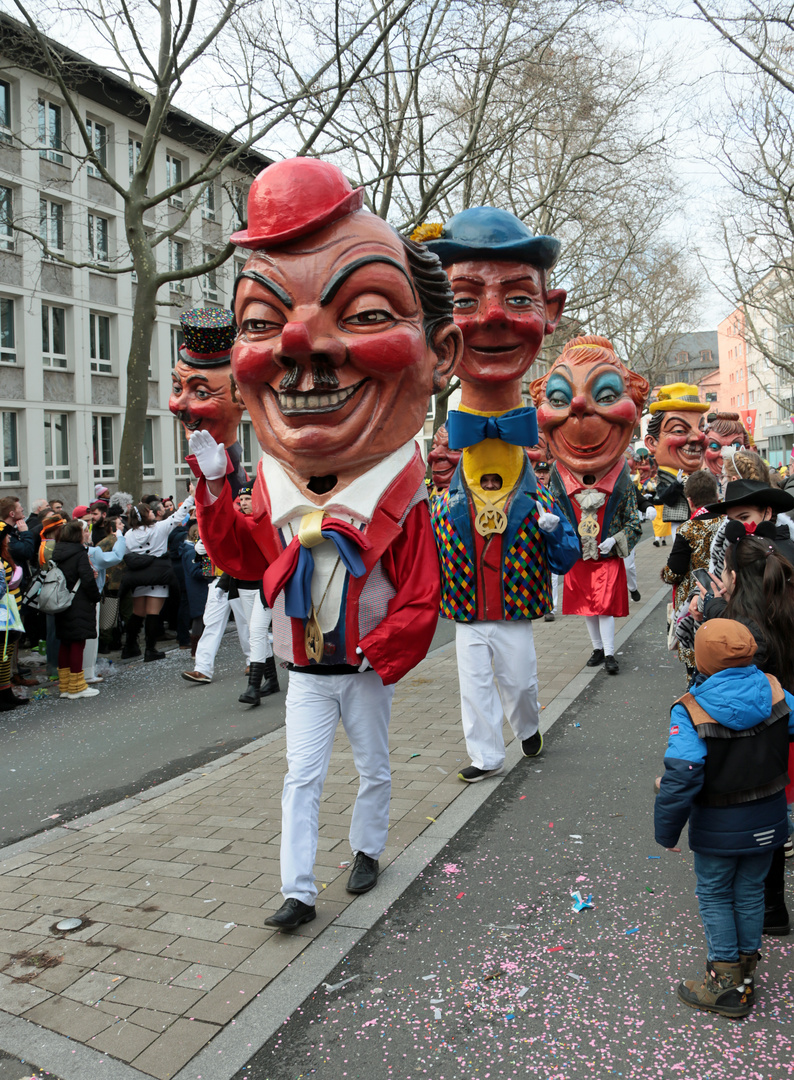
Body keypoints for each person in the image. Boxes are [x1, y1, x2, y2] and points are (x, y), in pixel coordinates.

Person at [192, 157, 461, 930]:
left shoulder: (403, 499)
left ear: (438, 350)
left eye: (368, 311)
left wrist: (384, 653)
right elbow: (244, 560)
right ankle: (298, 890)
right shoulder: (274, 487)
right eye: (259, 323)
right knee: (299, 776)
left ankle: (368, 849)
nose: (299, 342)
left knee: (372, 769)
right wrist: (214, 488)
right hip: (307, 667)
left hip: (364, 666)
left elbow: (420, 595)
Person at [425, 206, 580, 780]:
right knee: (472, 686)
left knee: (519, 680)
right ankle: (484, 756)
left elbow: (568, 551)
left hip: (513, 601)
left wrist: (552, 527)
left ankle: (529, 724)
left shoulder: (540, 462)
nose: (491, 317)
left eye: (519, 298)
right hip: (467, 604)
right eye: (463, 300)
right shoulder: (444, 468)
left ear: (551, 310)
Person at [655, 619, 794, 1017]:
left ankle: (725, 984)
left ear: (701, 659)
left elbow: (683, 774)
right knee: (750, 892)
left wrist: (667, 829)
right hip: (768, 818)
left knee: (715, 893)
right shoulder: (774, 690)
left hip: (717, 824)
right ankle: (746, 968)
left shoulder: (692, 708)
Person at [531, 336, 647, 676]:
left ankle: (610, 652)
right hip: (578, 555)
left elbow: (633, 523)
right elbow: (548, 511)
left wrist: (617, 540)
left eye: (607, 395)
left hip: (606, 555)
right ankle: (597, 649)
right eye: (559, 397)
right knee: (586, 607)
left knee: (606, 605)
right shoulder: (555, 476)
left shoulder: (623, 478)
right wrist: (551, 530)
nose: (579, 406)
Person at [181, 484, 259, 685]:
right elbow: (204, 560)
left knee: (245, 623)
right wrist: (202, 553)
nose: (242, 503)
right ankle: (203, 668)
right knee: (211, 624)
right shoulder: (208, 525)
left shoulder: (238, 521)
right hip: (217, 581)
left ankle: (254, 660)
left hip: (239, 580)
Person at [122, 489, 195, 661]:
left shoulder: (128, 534)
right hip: (158, 575)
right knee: (153, 613)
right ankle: (150, 649)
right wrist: (191, 497)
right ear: (146, 515)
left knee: (138, 613)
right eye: (149, 511)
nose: (153, 513)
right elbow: (178, 516)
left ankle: (130, 646)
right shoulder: (159, 529)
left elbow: (125, 553)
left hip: (138, 576)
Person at [662, 469, 721, 681]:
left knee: (695, 661)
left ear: (690, 500)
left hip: (693, 603)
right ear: (716, 495)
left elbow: (674, 571)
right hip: (723, 595)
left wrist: (665, 573)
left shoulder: (689, 528)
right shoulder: (726, 522)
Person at [645, 383, 709, 535]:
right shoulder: (664, 477)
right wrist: (677, 484)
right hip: (679, 519)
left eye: (702, 429)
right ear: (652, 442)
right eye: (679, 430)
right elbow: (666, 497)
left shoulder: (702, 475)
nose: (699, 436)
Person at [51, 519, 102, 699]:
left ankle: (65, 686)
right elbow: (87, 579)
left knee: (65, 642)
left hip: (61, 601)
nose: (87, 533)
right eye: (84, 531)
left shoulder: (57, 552)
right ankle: (77, 686)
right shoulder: (80, 553)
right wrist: (96, 597)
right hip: (79, 602)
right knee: (77, 643)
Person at [83, 518, 126, 684]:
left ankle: (74, 677)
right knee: (91, 635)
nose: (89, 532)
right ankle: (86, 673)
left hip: (82, 596)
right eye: (86, 529)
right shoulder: (92, 550)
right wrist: (120, 536)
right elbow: (115, 557)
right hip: (93, 595)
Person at [180, 524, 211, 655]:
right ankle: (196, 650)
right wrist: (210, 572)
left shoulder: (193, 550)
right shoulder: (192, 552)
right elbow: (195, 572)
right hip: (197, 589)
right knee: (199, 617)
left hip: (201, 588)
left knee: (204, 617)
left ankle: (203, 649)